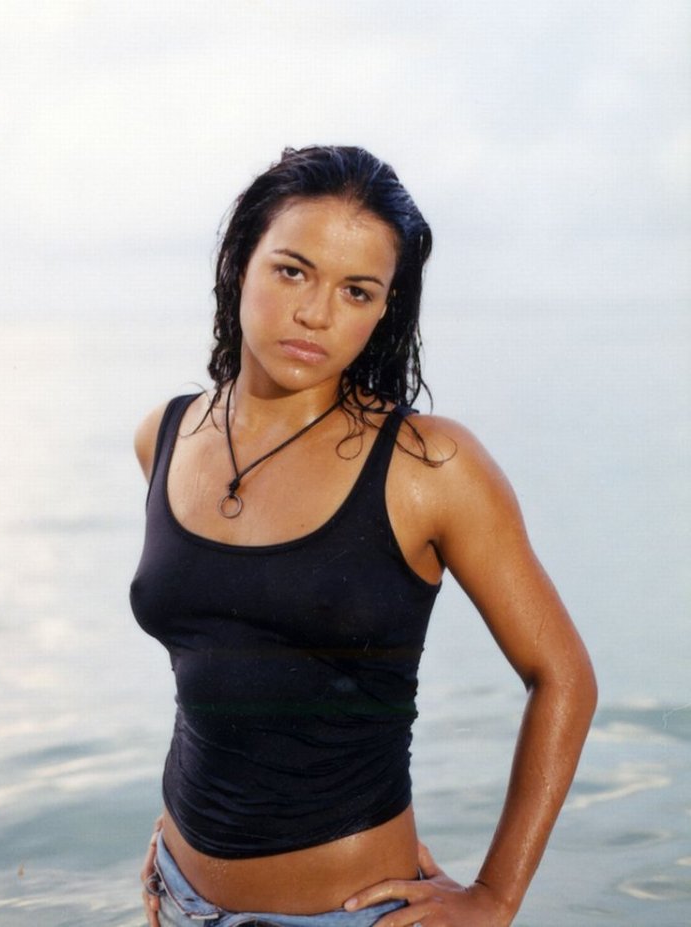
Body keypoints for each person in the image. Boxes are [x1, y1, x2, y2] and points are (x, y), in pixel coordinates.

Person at [130, 145, 597, 927]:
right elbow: (218, 661)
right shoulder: (166, 436)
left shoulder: (429, 465)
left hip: (350, 913)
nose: (316, 313)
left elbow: (564, 676)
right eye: (292, 271)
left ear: (385, 310)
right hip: (175, 895)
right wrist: (181, 822)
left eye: (356, 291)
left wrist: (495, 895)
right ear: (240, 261)